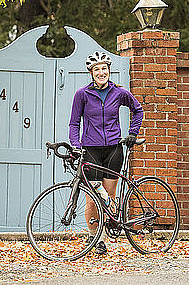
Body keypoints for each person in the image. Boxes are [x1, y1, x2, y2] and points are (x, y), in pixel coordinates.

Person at [68, 51, 143, 254]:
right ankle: (95, 238)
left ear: (109, 71)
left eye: (104, 69)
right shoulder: (82, 94)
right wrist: (76, 145)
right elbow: (74, 123)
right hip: (90, 149)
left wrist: (132, 134)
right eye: (97, 69)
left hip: (113, 149)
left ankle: (107, 233)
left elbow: (138, 109)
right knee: (92, 199)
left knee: (109, 195)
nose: (101, 72)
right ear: (91, 73)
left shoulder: (119, 93)